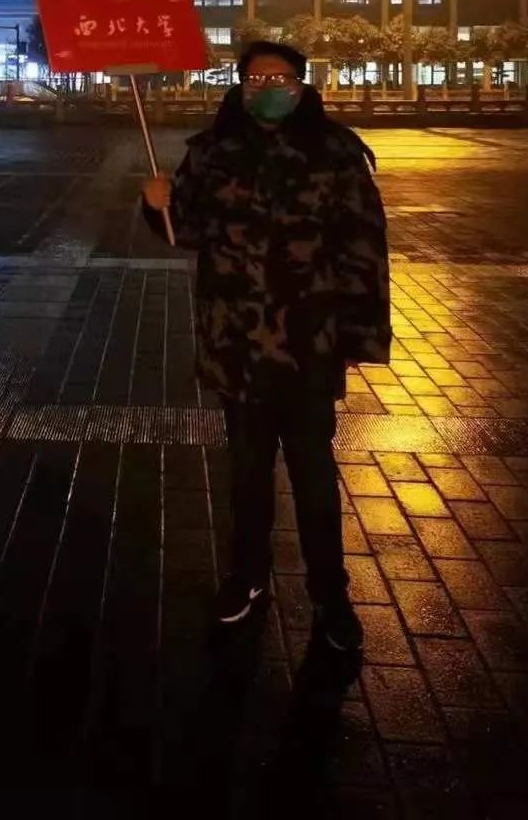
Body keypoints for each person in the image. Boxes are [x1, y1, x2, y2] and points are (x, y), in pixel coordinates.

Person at [142, 41, 390, 651]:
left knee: (313, 474)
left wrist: (358, 336)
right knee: (247, 473)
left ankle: (330, 594)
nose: (267, 88)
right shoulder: (214, 150)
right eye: (256, 79)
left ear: (302, 84)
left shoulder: (335, 152)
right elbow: (187, 232)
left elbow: (364, 247)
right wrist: (157, 205)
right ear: (240, 85)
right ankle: (247, 578)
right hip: (238, 345)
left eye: (280, 79)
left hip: (309, 344)